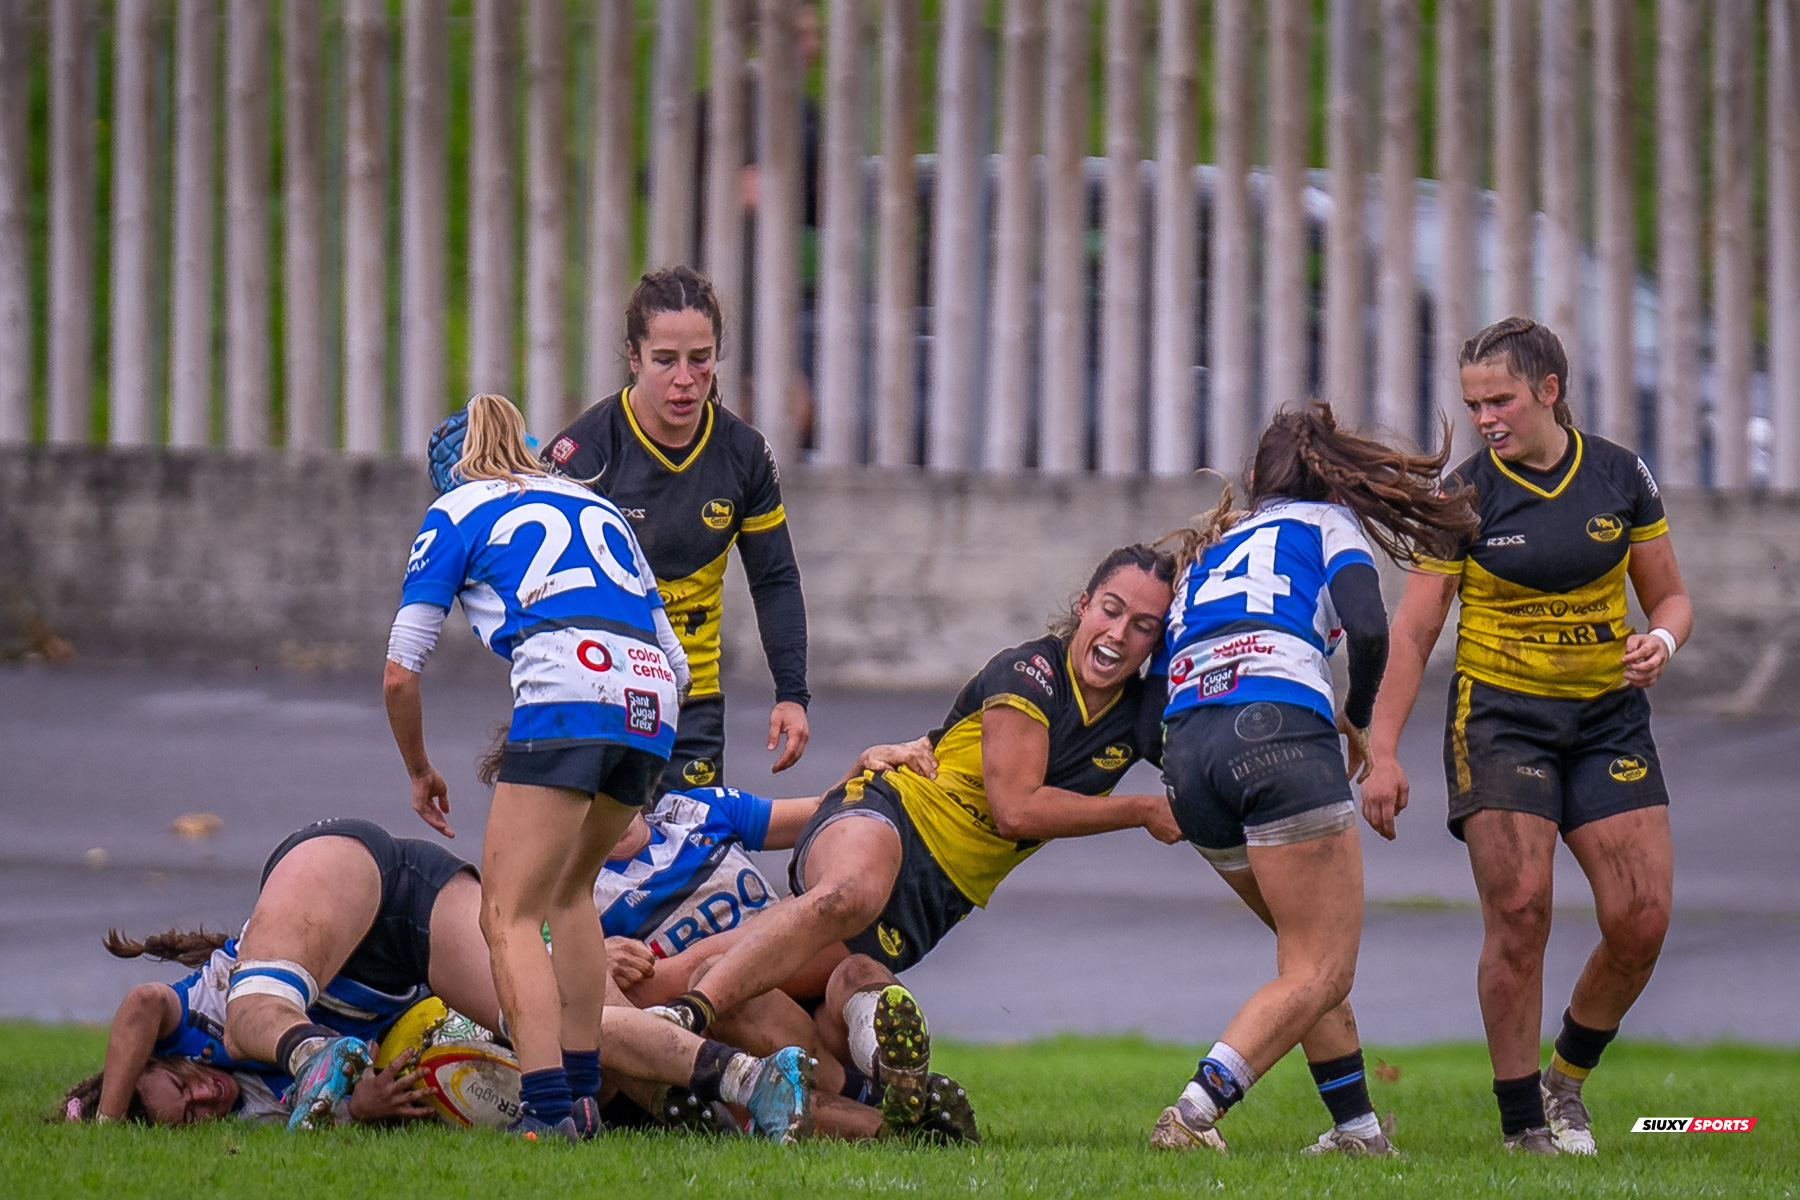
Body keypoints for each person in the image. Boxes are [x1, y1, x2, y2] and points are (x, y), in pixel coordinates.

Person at [642, 546, 1184, 1130]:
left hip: (931, 902)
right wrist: (1144, 809)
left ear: (1158, 643)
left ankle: (883, 1106)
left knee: (800, 997)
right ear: (1083, 606)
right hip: (890, 812)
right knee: (847, 895)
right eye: (1110, 610)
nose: (1118, 633)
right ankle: (680, 1018)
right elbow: (1016, 811)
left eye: (1143, 626)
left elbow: (1207, 774)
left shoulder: (1137, 715)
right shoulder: (1030, 673)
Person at [1359, 317, 1691, 1156]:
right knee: (1519, 909)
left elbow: (1671, 600)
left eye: (1500, 399)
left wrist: (1662, 642)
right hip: (1502, 719)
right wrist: (1382, 749)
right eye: (1473, 403)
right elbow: (1415, 630)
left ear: (1549, 390)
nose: (1485, 418)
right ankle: (1522, 1130)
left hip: (1607, 718)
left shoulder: (1621, 475)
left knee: (1642, 920)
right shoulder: (1464, 497)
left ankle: (1564, 1083)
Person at [1144, 404, 1479, 1157]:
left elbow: (1165, 667)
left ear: (1256, 479)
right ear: (1334, 477)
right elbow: (1368, 629)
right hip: (1277, 732)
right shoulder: (1329, 528)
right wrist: (1356, 722)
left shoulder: (1210, 544)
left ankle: (1358, 1129)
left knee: (1306, 961)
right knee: (1324, 966)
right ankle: (1194, 1113)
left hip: (1189, 748)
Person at [385, 392, 717, 1142]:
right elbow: (677, 663)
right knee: (571, 894)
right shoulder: (591, 503)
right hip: (653, 702)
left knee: (506, 911)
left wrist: (418, 769)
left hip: (570, 691)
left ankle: (544, 1110)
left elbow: (401, 672)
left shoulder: (457, 509)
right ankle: (583, 1093)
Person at [63, 817, 816, 1141]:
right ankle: (751, 1081)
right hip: (413, 936)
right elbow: (347, 1109)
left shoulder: (189, 1022)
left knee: (253, 1007)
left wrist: (101, 1119)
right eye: (191, 1117)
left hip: (338, 869)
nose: (203, 1095)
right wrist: (362, 1106)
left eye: (181, 1087)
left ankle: (305, 1047)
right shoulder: (257, 1115)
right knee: (551, 1025)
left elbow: (138, 1004)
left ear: (166, 1063)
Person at [590, 753, 979, 1143]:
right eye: (589, 798)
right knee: (717, 977)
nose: (606, 803)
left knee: (858, 968)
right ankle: (898, 1120)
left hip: (808, 985)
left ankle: (895, 1072)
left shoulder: (698, 810)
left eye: (615, 785)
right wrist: (592, 954)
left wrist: (863, 768)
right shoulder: (580, 893)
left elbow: (824, 812)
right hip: (738, 1028)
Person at [544, 266, 810, 793]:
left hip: (692, 705)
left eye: (700, 359)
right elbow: (540, 589)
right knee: (597, 869)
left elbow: (775, 579)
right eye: (665, 360)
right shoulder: (584, 454)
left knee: (688, 862)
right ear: (634, 356)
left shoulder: (744, 455)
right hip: (598, 695)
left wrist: (792, 694)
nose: (685, 379)